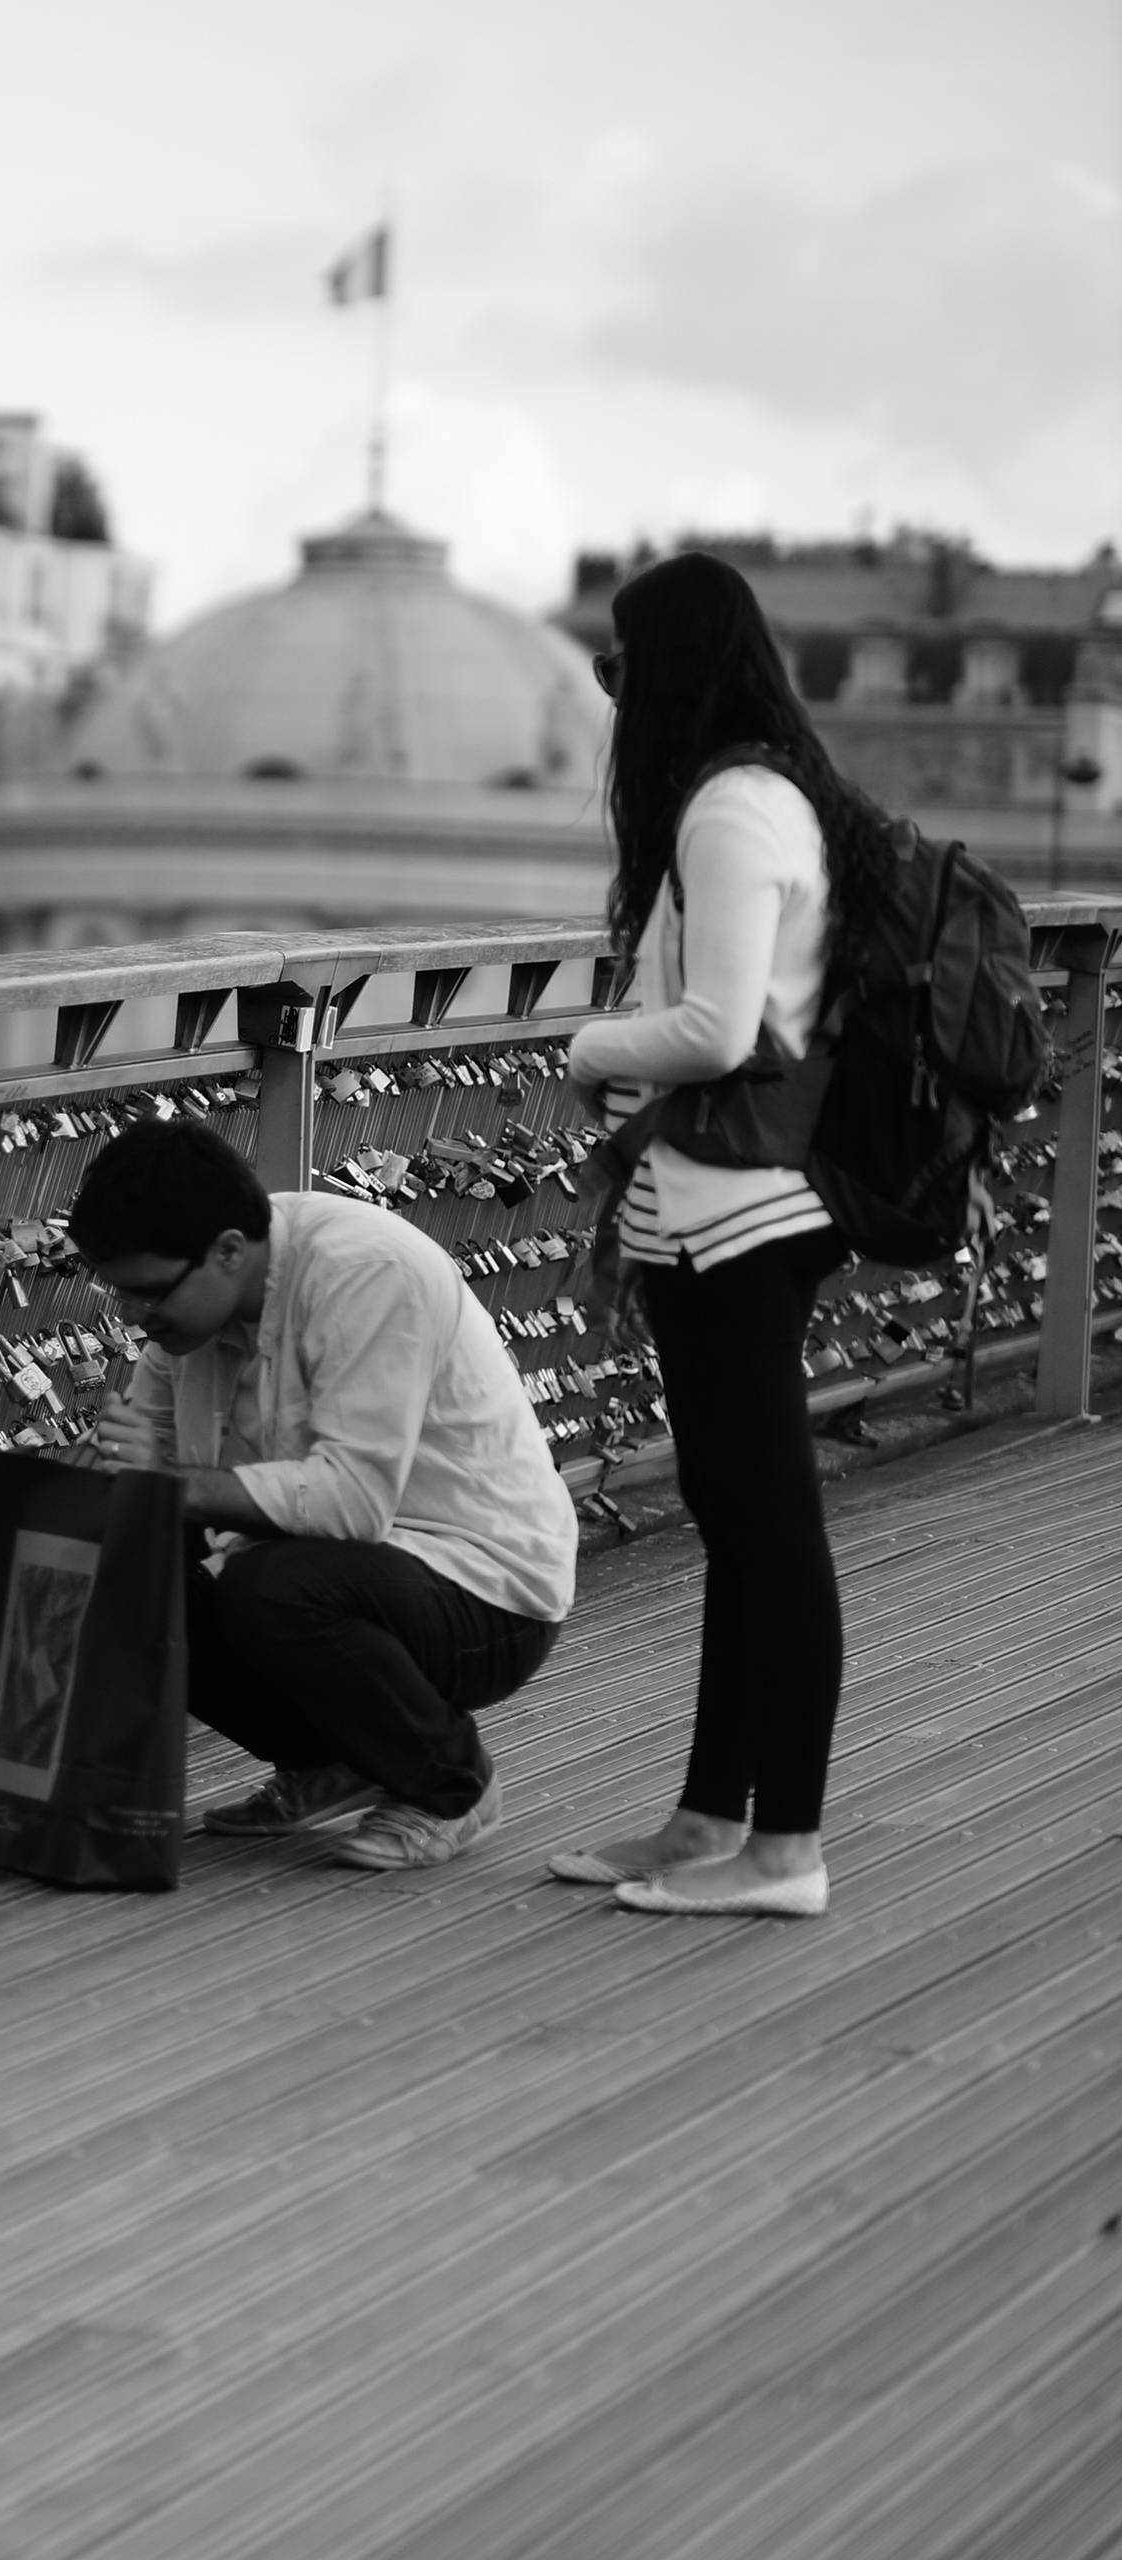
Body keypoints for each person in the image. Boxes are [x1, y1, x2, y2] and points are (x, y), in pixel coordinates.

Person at [0, 1118, 581, 1869]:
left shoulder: (367, 1272)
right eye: (118, 1293)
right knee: (126, 1554)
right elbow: (127, 1477)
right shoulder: (192, 1312)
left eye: (147, 1293)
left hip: (486, 1593)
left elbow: (351, 1502)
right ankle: (336, 1761)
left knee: (269, 1586)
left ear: (227, 1251)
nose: (132, 1316)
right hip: (336, 1568)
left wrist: (160, 1485)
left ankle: (451, 1787)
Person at [553, 549, 870, 1919]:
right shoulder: (762, 797)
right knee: (740, 1525)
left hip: (741, 1213)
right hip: (722, 1211)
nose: (615, 698)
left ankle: (785, 1849)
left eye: (619, 668)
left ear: (670, 669)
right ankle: (707, 1823)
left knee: (770, 1532)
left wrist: (588, 1047)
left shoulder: (734, 811)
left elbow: (721, 1029)